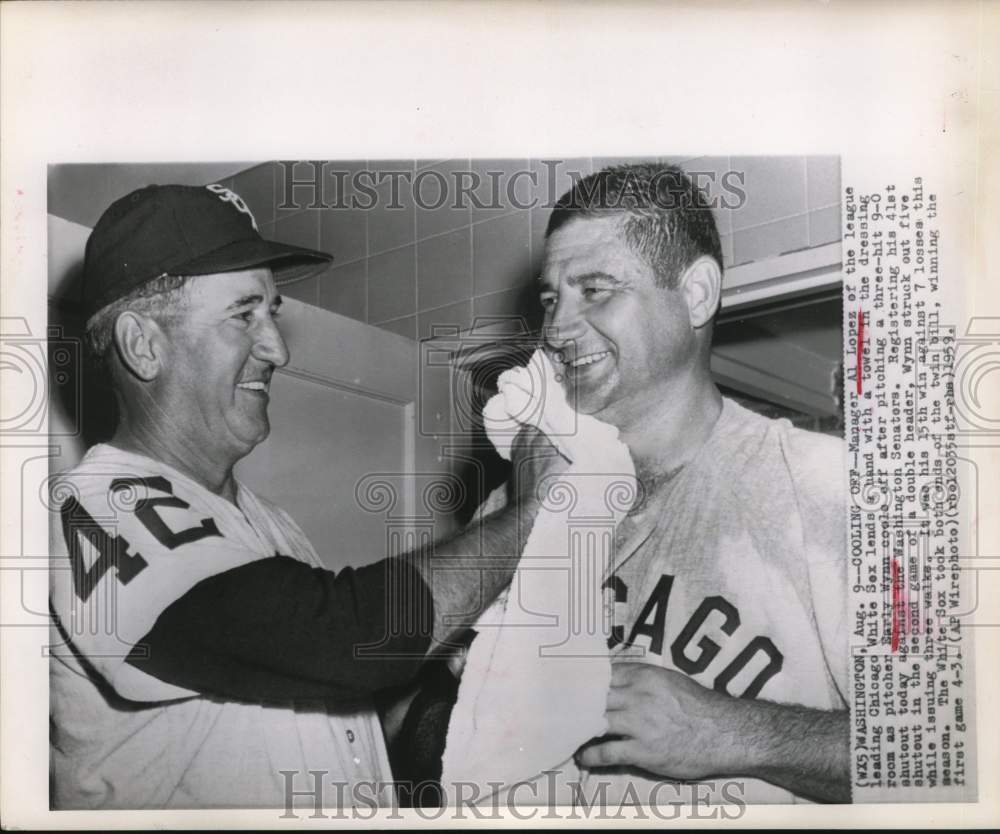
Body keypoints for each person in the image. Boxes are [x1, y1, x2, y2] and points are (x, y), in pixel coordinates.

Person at [48, 183, 562, 810]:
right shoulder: (93, 508)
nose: (278, 349)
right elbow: (339, 638)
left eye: (273, 312)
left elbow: (356, 722)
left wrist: (458, 667)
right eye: (243, 315)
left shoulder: (263, 522)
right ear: (143, 344)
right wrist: (528, 515)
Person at [413, 162, 850, 805]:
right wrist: (465, 696)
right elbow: (426, 740)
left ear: (696, 294)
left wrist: (730, 731)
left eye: (595, 289)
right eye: (550, 298)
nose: (556, 330)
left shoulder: (825, 486)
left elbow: (953, 757)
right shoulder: (516, 505)